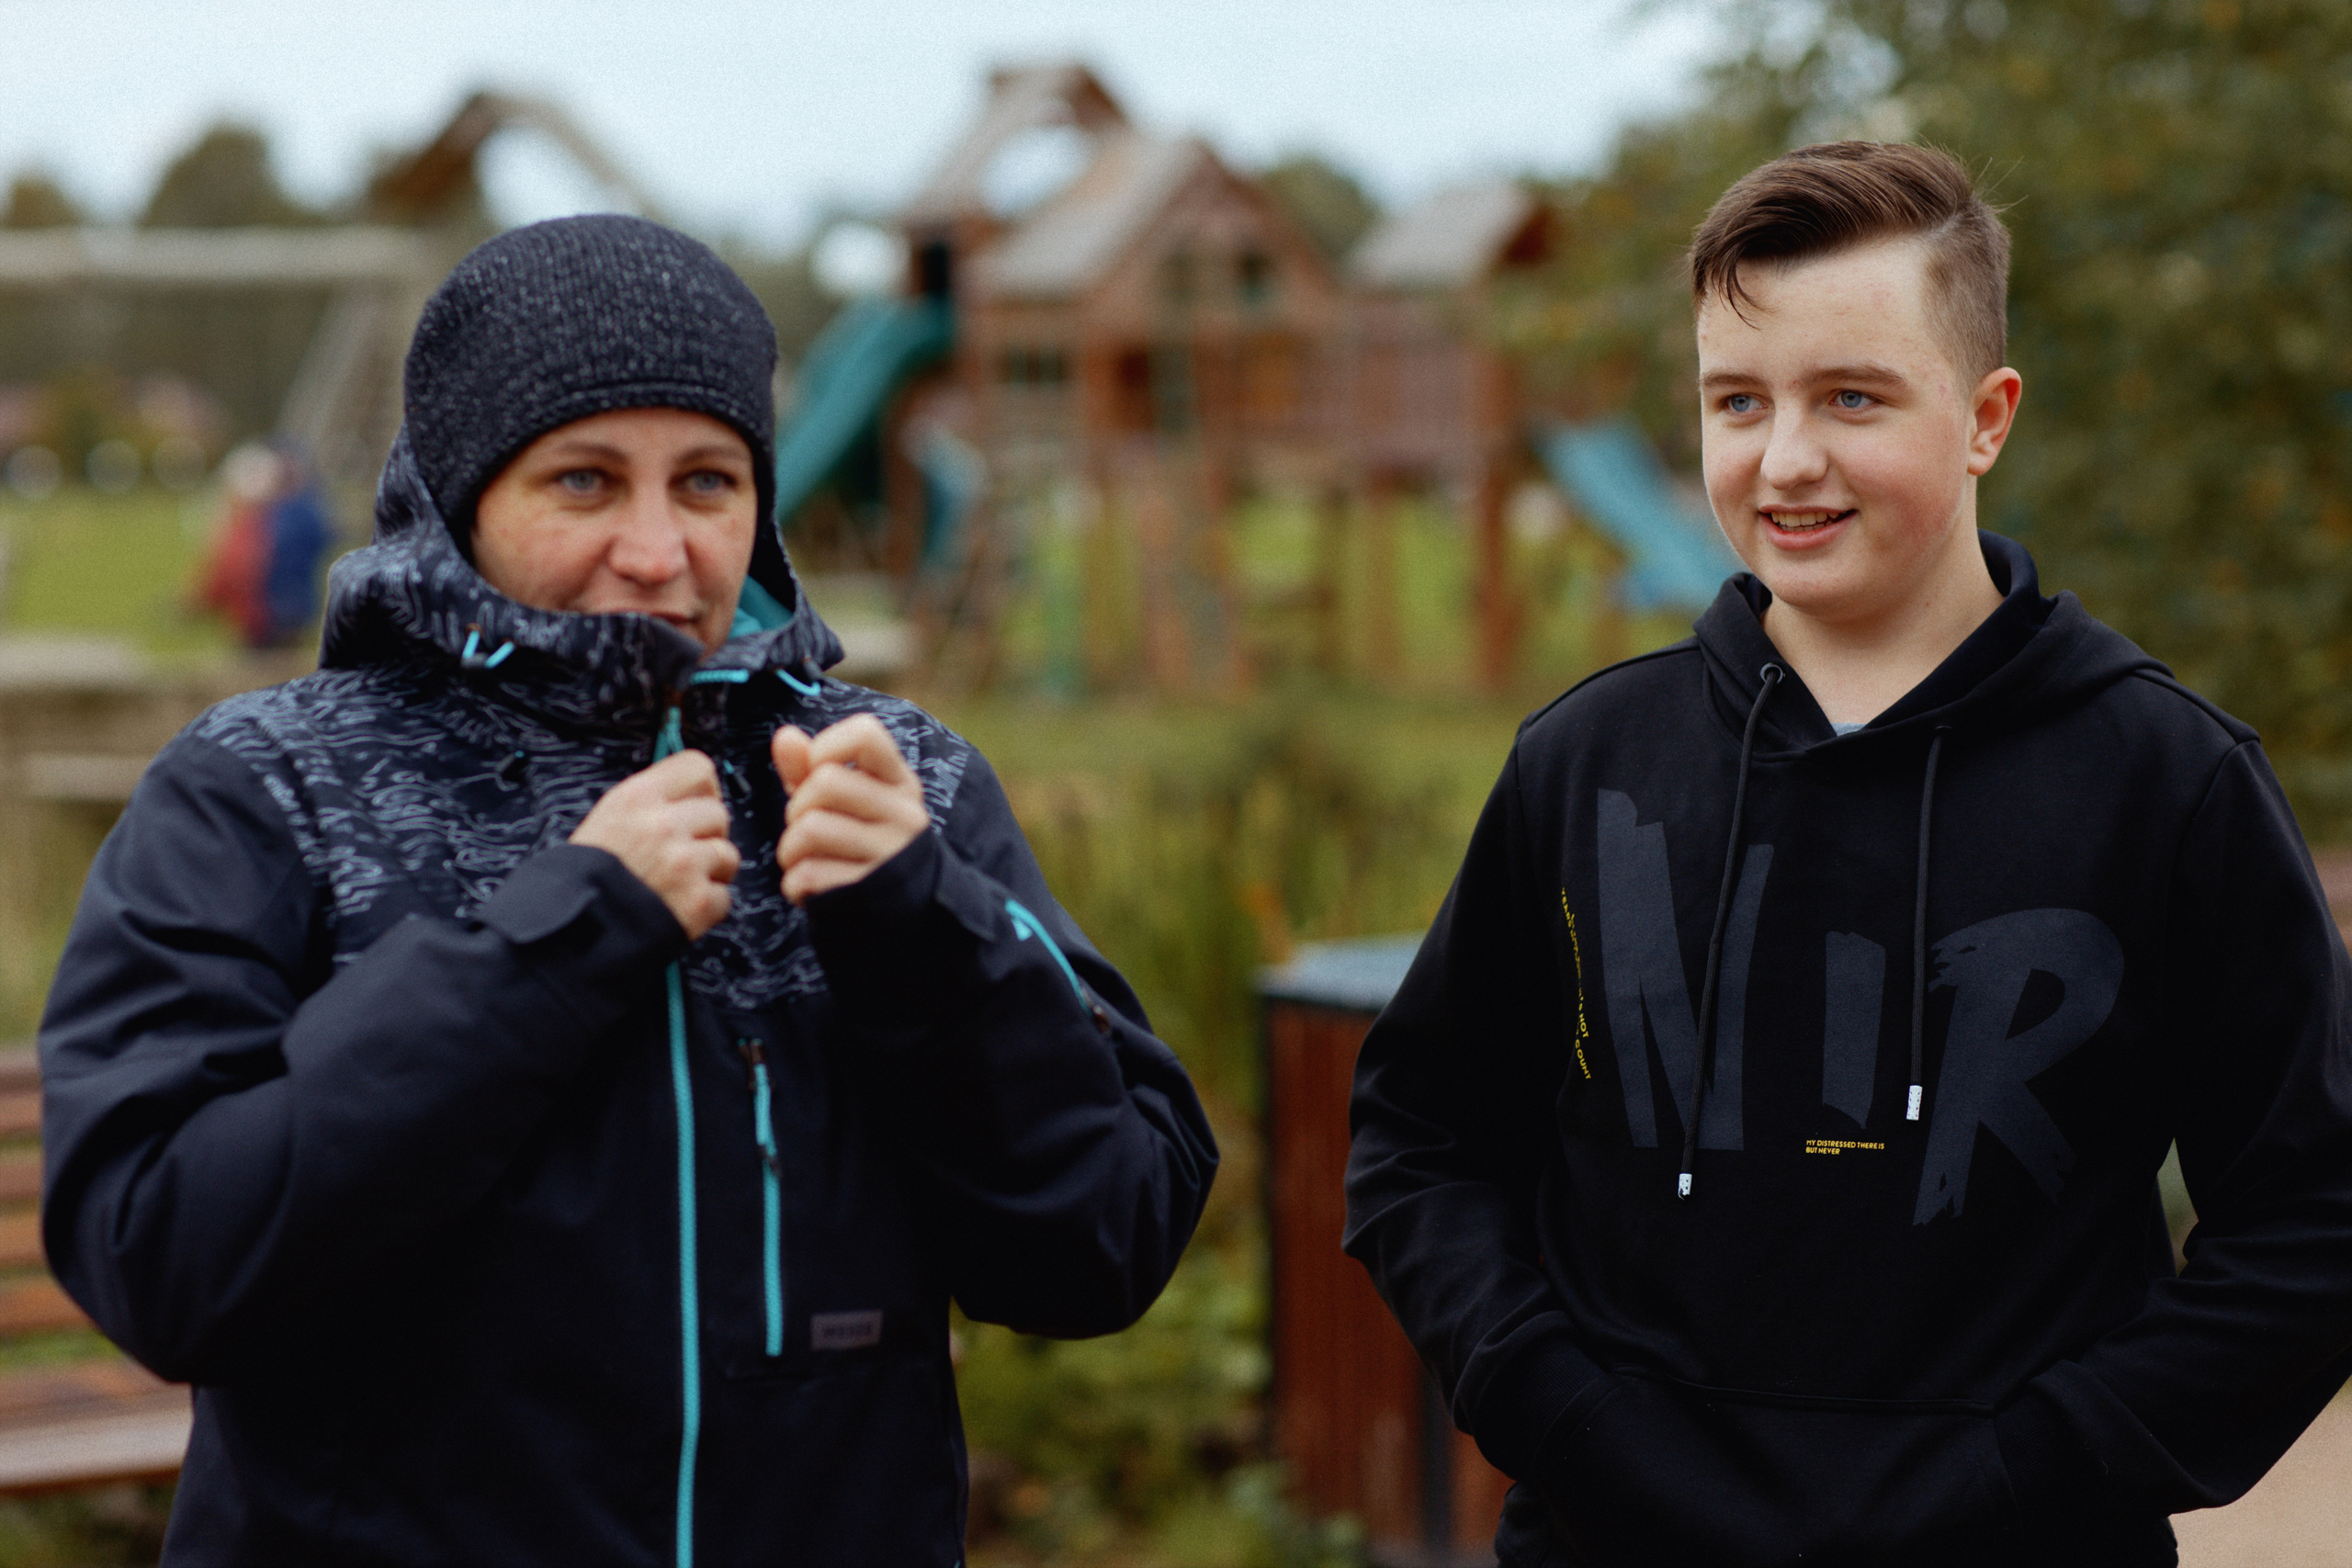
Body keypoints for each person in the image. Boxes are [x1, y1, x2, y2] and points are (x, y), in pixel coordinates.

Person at [40, 215, 1217, 1566]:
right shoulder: (269, 787)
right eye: (585, 481)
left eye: (707, 482)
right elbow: (163, 1257)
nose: (658, 551)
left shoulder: (903, 785)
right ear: (464, 498)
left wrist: (929, 932)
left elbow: (1103, 1246)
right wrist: (565, 937)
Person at [1344, 142, 2352, 1567]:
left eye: (1853, 398)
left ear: (1986, 418)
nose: (1786, 459)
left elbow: (2315, 1220)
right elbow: (1421, 1141)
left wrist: (2040, 1466)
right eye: (1738, 401)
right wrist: (1559, 1409)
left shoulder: (2168, 781)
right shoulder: (1585, 762)